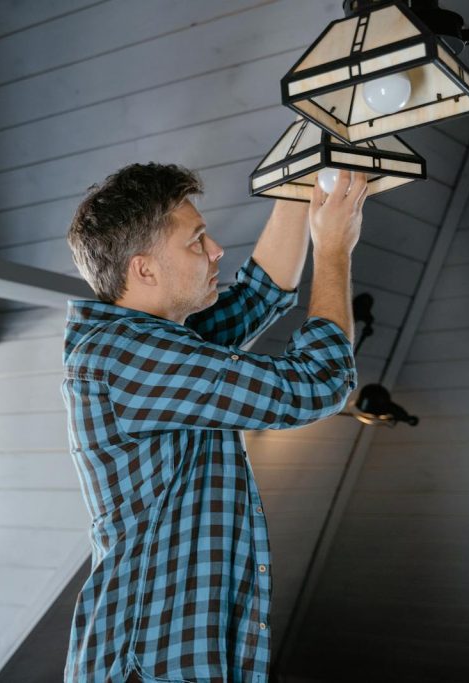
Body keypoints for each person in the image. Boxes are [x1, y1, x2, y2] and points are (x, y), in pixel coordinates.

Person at [62, 162, 367, 682]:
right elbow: (319, 382)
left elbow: (261, 295)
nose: (217, 250)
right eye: (196, 240)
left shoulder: (158, 341)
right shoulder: (125, 355)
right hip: (147, 667)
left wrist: (302, 172)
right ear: (144, 270)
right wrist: (334, 249)